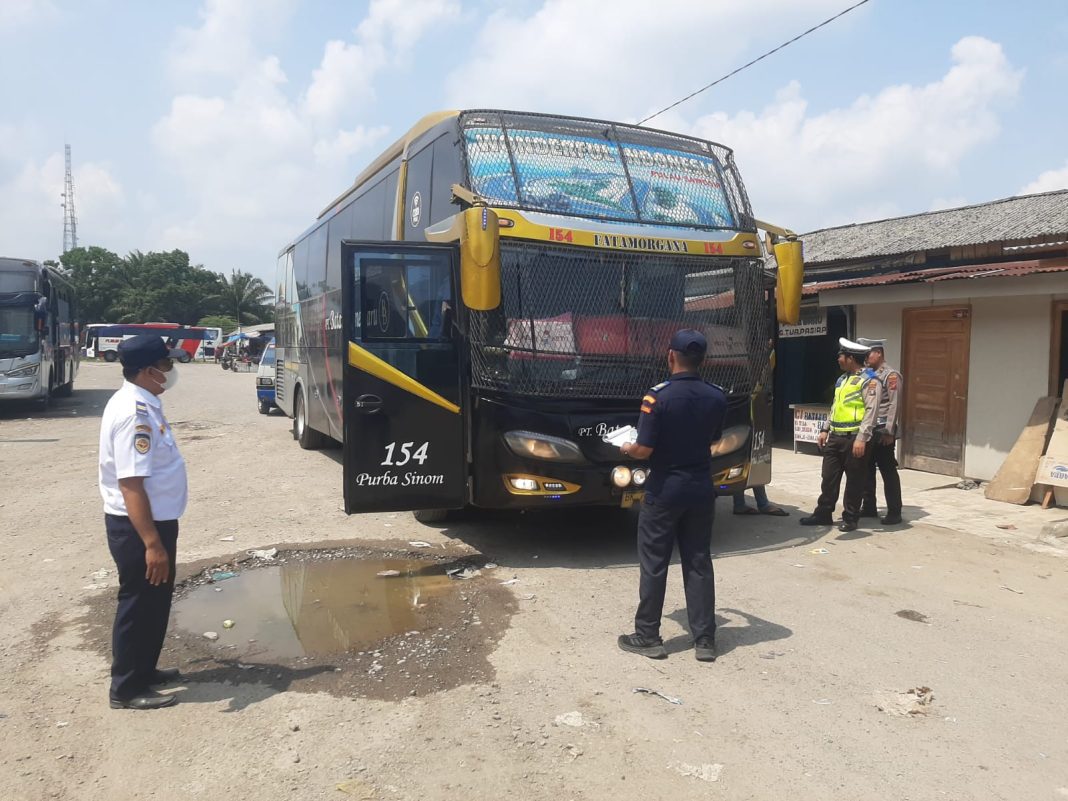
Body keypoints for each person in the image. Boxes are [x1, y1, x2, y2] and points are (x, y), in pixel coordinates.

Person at [617, 329, 728, 663]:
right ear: (702, 360)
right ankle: (705, 640)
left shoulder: (657, 397)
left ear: (670, 356)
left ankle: (648, 636)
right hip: (700, 488)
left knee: (654, 562)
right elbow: (713, 438)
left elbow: (644, 449)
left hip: (664, 489)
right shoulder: (716, 396)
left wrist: (626, 447)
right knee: (698, 560)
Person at [98, 334, 188, 710]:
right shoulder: (133, 413)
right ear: (148, 371)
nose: (172, 371)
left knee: (155, 602)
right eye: (167, 366)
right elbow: (131, 484)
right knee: (137, 604)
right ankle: (126, 689)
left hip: (156, 522)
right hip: (140, 528)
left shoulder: (146, 403)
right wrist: (152, 544)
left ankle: (144, 670)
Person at [799, 338, 878, 533]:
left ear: (850, 358)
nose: (839, 360)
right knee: (828, 477)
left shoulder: (869, 380)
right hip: (836, 436)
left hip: (854, 438)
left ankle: (851, 517)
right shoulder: (842, 380)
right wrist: (825, 429)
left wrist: (862, 438)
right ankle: (823, 513)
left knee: (854, 480)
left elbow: (871, 411)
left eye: (841, 356)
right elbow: (836, 406)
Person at [857, 337, 904, 525]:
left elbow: (894, 404)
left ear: (879, 353)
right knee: (867, 469)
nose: (866, 358)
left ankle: (894, 511)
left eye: (869, 354)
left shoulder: (890, 375)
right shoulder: (868, 375)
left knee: (887, 471)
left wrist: (889, 431)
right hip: (869, 429)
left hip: (883, 430)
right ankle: (869, 507)